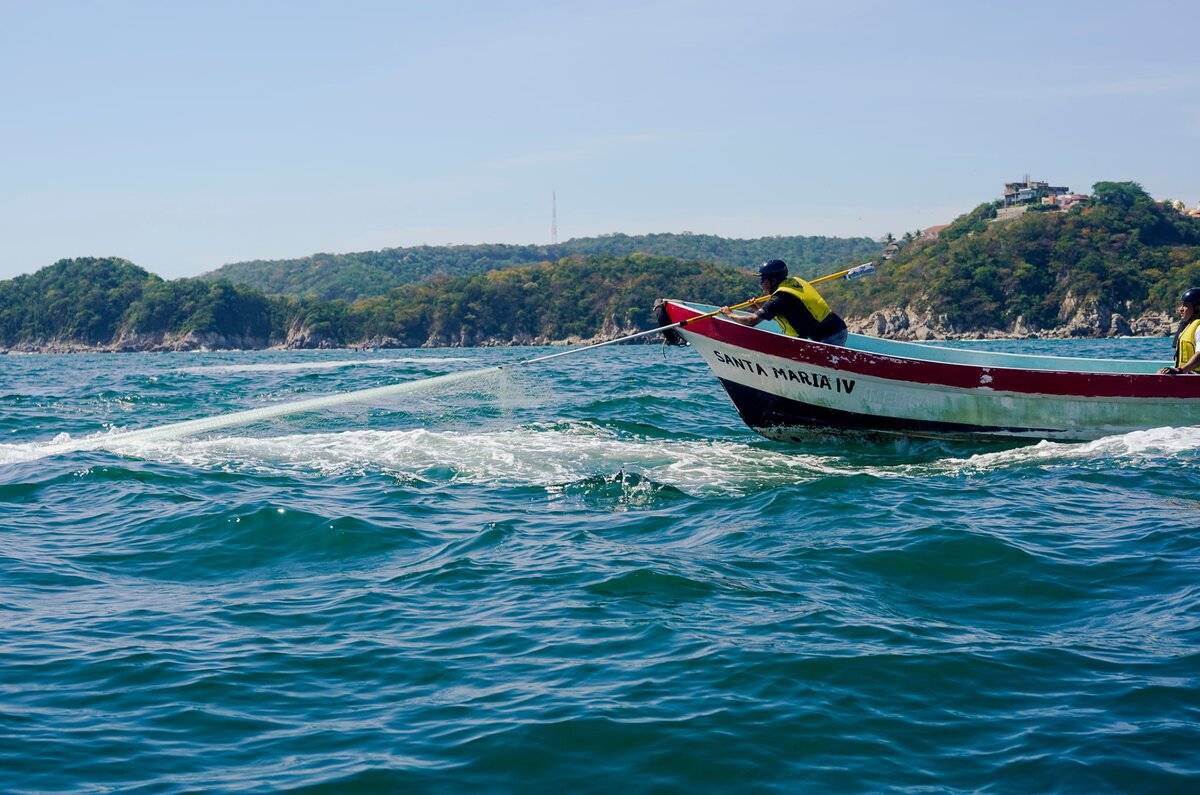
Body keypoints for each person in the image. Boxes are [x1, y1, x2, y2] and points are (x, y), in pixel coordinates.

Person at [720, 259, 848, 345]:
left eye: (763, 279)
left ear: (774, 280)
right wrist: (757, 308)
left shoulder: (780, 298)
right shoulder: (793, 283)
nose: (761, 284)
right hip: (837, 329)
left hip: (830, 336)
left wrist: (729, 313)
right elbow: (786, 315)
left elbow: (751, 321)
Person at [1159, 288, 1200, 374]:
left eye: (1185, 306)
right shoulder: (1188, 325)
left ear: (1198, 308)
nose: (1180, 309)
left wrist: (1180, 370)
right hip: (1187, 377)